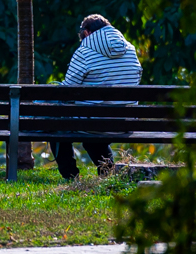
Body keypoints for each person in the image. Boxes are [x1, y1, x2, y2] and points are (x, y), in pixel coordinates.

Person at [56, 14, 141, 179]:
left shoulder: (84, 52)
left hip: (93, 123)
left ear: (87, 33)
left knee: (57, 122)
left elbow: (66, 91)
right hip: (124, 122)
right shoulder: (130, 49)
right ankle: (107, 173)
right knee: (94, 131)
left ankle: (70, 175)